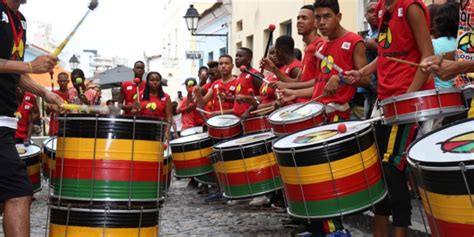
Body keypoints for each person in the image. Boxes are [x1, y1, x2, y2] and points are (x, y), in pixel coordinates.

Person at [345, 0, 434, 236]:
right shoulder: (383, 7)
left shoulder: (412, 6)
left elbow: (427, 57)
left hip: (407, 103)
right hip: (384, 101)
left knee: (392, 170)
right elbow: (386, 54)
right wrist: (361, 72)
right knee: (378, 173)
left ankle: (401, 231)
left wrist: (407, 98)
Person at [0, 1, 63, 236]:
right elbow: (21, 66)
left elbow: (14, 72)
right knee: (17, 192)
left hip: (5, 120)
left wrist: (45, 93)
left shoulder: (19, 20)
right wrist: (29, 65)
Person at [270, 5, 325, 103]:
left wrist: (288, 86)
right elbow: (298, 81)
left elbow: (320, 81)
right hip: (303, 105)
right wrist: (273, 68)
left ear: (316, 23)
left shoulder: (320, 46)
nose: (299, 21)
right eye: (298, 18)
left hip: (314, 106)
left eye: (304, 18)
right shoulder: (308, 49)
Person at [137, 71, 172, 140]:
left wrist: (167, 132)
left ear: (160, 82)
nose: (155, 82)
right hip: (142, 129)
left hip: (159, 130)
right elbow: (134, 113)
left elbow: (169, 117)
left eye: (157, 80)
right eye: (152, 80)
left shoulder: (166, 97)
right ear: (147, 82)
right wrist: (135, 110)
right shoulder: (139, 95)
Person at [233, 47, 263, 117]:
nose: (236, 58)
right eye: (236, 56)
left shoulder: (255, 74)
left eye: (240, 56)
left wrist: (248, 112)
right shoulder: (239, 76)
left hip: (250, 118)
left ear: (248, 60)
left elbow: (263, 97)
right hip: (238, 118)